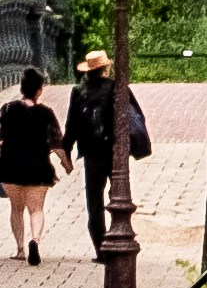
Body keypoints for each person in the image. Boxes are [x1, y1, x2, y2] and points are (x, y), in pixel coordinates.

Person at [61, 48, 140, 260]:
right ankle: (120, 239)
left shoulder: (79, 91)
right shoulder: (116, 88)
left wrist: (66, 151)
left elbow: (72, 124)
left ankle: (101, 248)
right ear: (106, 68)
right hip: (115, 152)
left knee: (94, 203)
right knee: (119, 197)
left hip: (91, 154)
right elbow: (133, 117)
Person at [0, 68, 54, 263]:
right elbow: (57, 142)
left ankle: (20, 249)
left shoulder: (7, 109)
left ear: (21, 88)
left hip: (10, 167)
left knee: (16, 208)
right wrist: (66, 163)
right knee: (36, 209)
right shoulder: (46, 114)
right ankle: (35, 240)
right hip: (38, 168)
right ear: (39, 90)